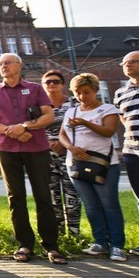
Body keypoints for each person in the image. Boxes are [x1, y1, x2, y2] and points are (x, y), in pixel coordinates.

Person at [0, 53, 66, 264]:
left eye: (8, 63)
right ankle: (25, 244)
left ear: (20, 65)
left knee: (43, 195)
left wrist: (26, 126)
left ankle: (51, 245)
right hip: (7, 148)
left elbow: (48, 115)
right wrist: (11, 131)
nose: (4, 66)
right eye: (1, 64)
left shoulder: (36, 89)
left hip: (36, 147)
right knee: (15, 197)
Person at [59, 73, 126, 262]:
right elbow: (62, 135)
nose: (82, 97)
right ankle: (100, 242)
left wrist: (85, 122)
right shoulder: (71, 112)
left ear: (95, 90)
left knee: (109, 205)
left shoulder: (107, 109)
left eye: (86, 92)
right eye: (78, 93)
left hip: (104, 164)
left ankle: (117, 245)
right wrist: (70, 147)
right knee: (90, 205)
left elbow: (109, 131)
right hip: (76, 163)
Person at [113, 50, 139, 257]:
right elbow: (124, 118)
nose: (128, 65)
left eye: (133, 61)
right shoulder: (121, 92)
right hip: (133, 152)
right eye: (125, 62)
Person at [41, 70, 81, 236]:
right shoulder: (39, 106)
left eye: (55, 81)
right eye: (48, 82)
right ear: (43, 86)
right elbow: (33, 128)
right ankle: (58, 234)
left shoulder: (74, 104)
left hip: (70, 154)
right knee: (52, 196)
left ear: (63, 84)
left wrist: (66, 144)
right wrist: (48, 143)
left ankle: (74, 233)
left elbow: (82, 128)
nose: (52, 84)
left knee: (72, 194)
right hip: (46, 155)